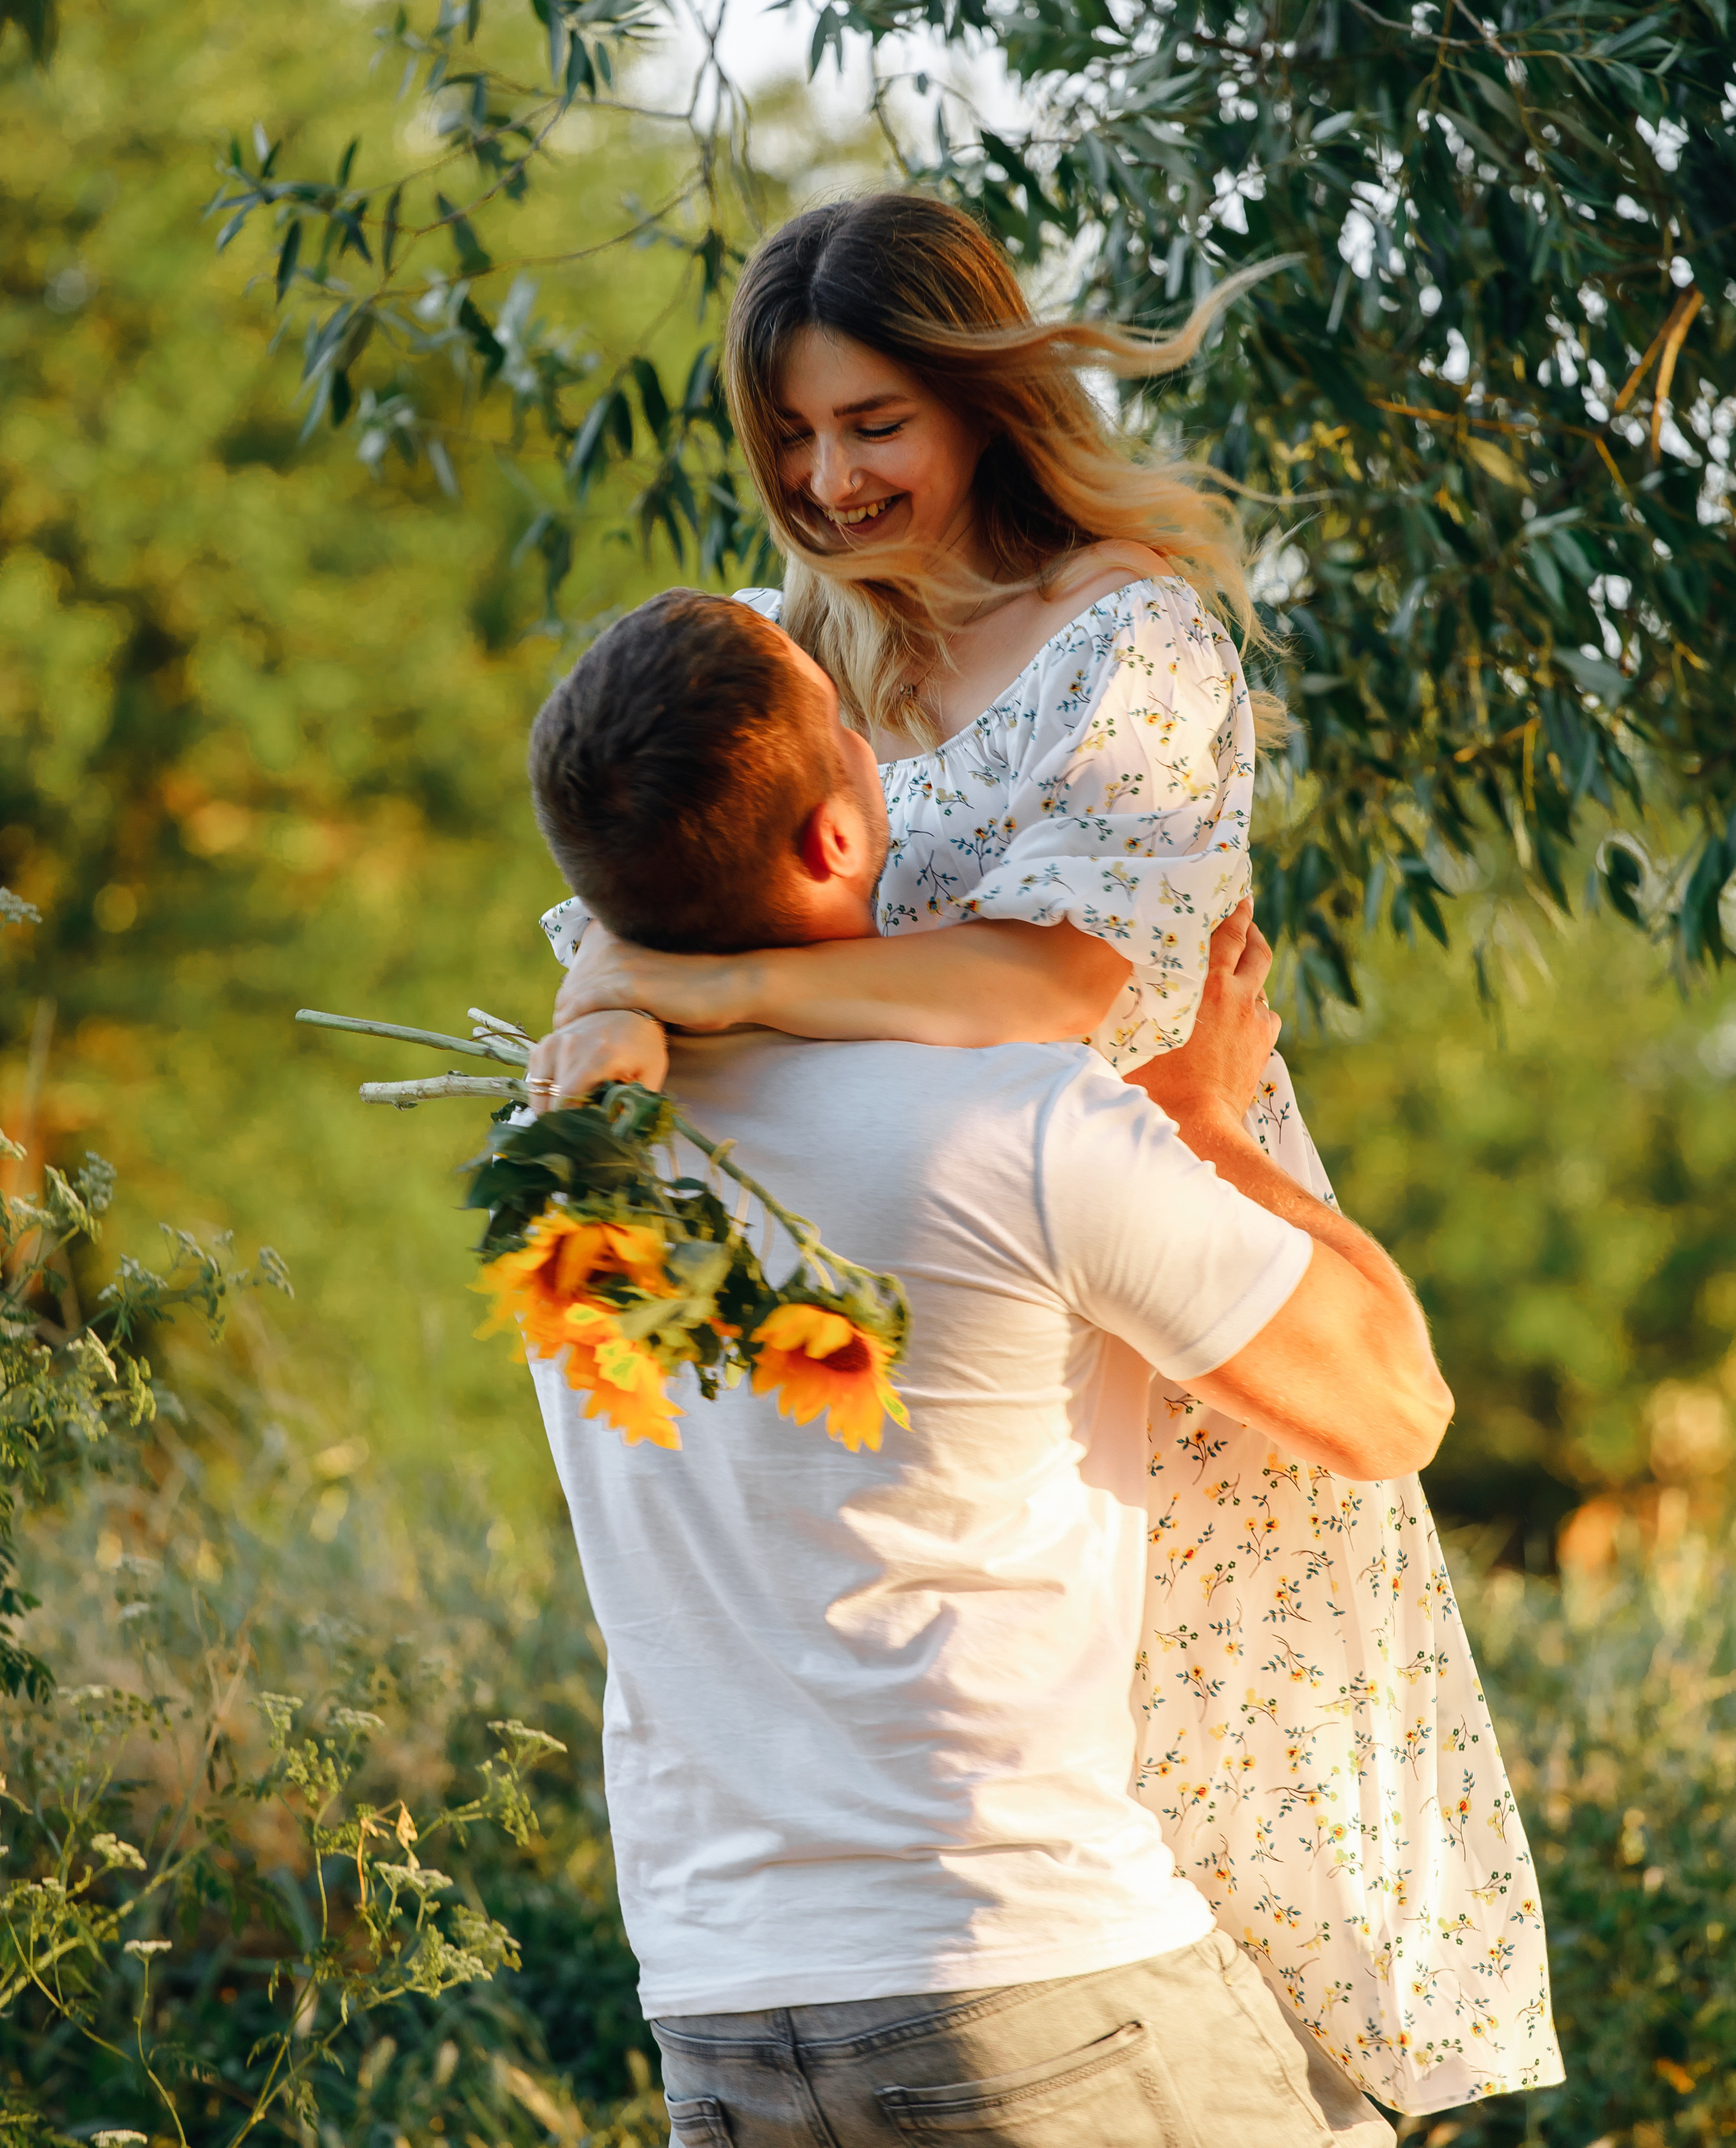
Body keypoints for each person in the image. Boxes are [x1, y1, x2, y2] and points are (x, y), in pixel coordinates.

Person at [541, 194, 1562, 2112]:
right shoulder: (779, 652)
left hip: (1176, 1302)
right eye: (793, 440)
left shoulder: (1128, 643)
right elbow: (626, 914)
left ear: (982, 399)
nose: (828, 483)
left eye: (873, 427)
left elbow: (1048, 979)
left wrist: (726, 993)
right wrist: (620, 993)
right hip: (946, 1335)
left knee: (1247, 1914)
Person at [521, 585, 1455, 2147]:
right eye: (852, 728)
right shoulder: (1012, 1127)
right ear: (834, 838)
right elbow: (1388, 1404)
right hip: (1024, 1980)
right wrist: (1208, 1133)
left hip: (719, 2019)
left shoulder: (560, 1161)